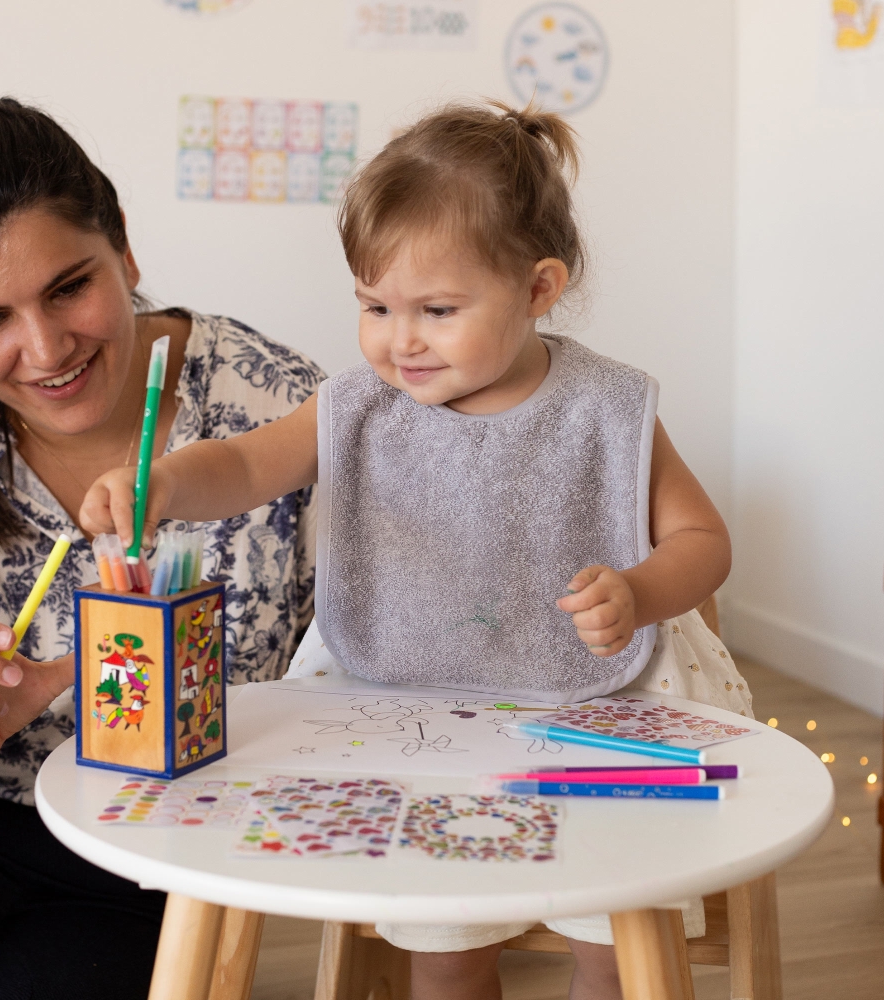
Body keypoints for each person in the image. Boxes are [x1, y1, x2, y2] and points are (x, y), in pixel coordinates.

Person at [81, 100, 753, 1000]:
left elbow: (705, 541)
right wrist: (162, 482)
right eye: (374, 306)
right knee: (443, 947)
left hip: (594, 706)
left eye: (437, 309)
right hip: (409, 701)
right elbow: (242, 465)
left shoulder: (606, 408)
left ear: (539, 288)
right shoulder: (359, 407)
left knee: (613, 937)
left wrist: (640, 591)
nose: (400, 340)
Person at [0, 98, 322, 999]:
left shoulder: (284, 415)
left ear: (123, 245)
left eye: (68, 288)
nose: (46, 349)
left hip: (153, 859)